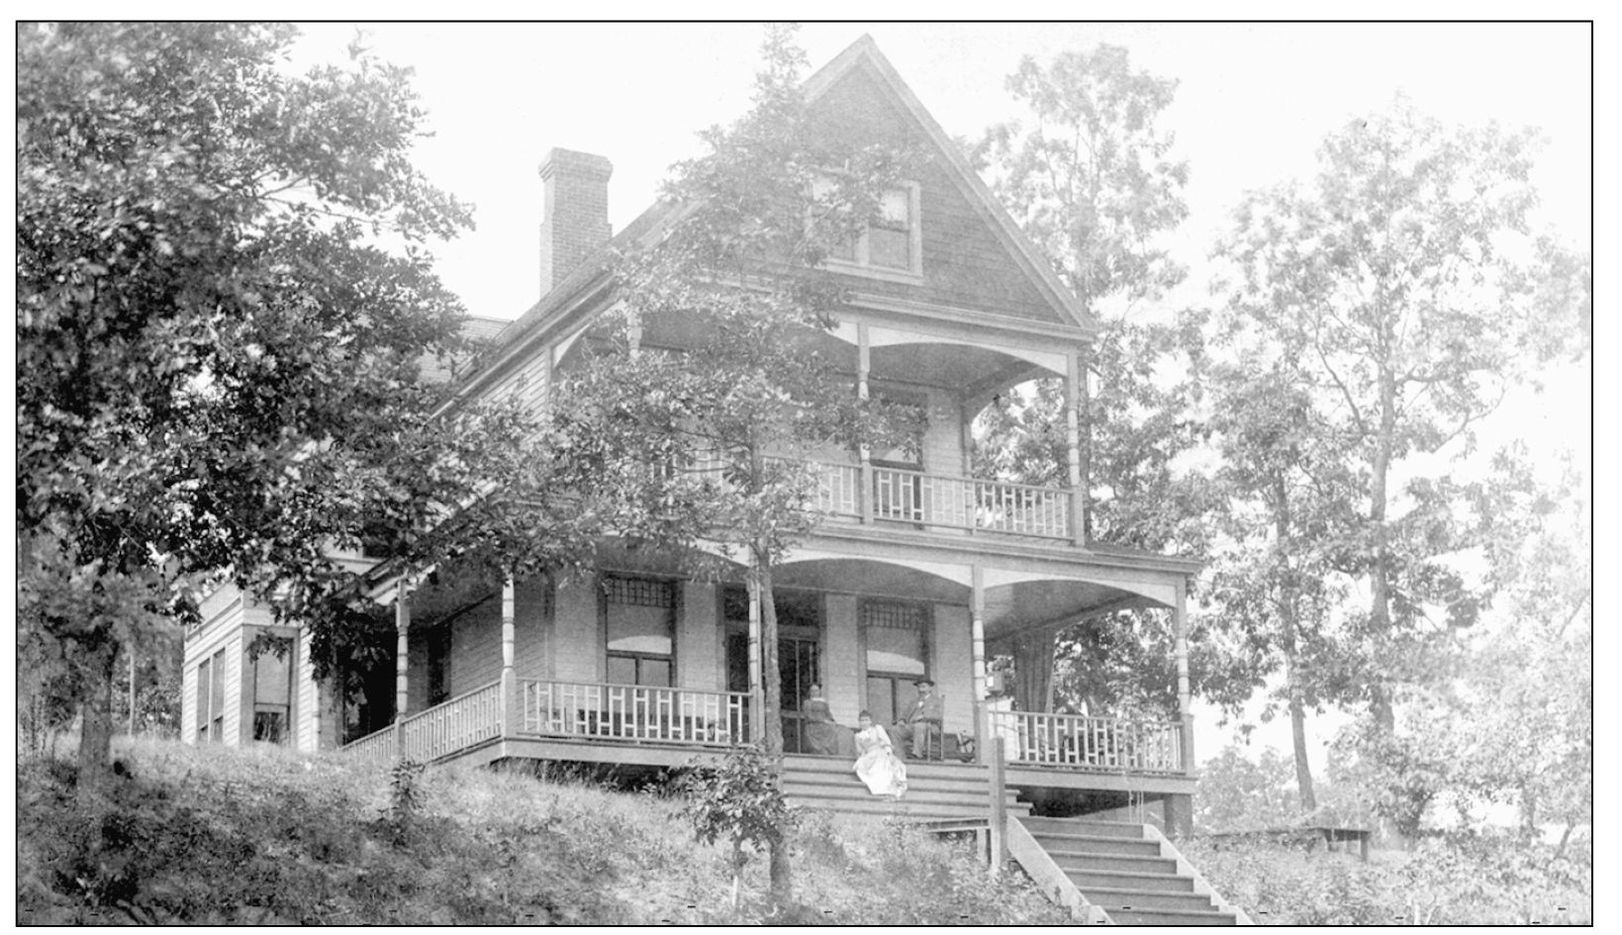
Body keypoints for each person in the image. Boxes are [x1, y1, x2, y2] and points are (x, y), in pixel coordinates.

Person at [853, 710, 907, 798]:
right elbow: (859, 751)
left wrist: (888, 752)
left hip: (880, 752)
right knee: (862, 766)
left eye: (866, 720)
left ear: (870, 721)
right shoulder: (858, 736)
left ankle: (886, 789)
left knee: (882, 765)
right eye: (862, 721)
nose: (864, 723)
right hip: (868, 756)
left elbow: (886, 742)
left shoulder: (877, 729)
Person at [892, 678, 945, 759]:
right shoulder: (914, 701)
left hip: (930, 727)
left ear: (930, 688)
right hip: (912, 726)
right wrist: (902, 720)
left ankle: (917, 754)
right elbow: (905, 714)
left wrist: (923, 717)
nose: (921, 690)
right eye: (919, 687)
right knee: (895, 730)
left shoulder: (936, 701)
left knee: (919, 726)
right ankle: (900, 756)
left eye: (924, 687)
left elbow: (938, 716)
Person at [802, 683, 843, 756]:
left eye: (816, 690)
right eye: (812, 691)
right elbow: (808, 716)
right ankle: (820, 751)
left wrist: (832, 721)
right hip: (813, 725)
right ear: (809, 692)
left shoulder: (824, 703)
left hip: (825, 725)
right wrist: (822, 720)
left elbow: (828, 714)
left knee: (834, 729)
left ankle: (829, 753)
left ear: (819, 691)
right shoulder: (807, 703)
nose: (814, 693)